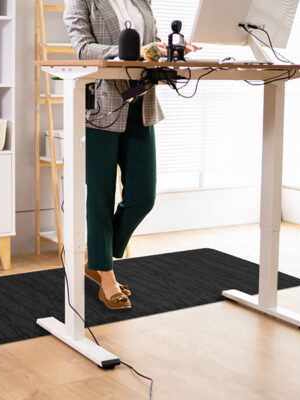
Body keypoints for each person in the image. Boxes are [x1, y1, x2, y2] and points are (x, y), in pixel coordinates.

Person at [63, 0, 200, 309]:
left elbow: (148, 46)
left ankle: (97, 257)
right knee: (100, 195)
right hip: (101, 105)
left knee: (143, 197)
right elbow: (83, 48)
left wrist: (168, 50)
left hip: (141, 101)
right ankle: (106, 275)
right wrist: (128, 52)